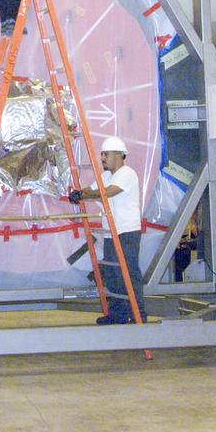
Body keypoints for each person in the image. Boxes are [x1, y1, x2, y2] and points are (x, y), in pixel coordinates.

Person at [71, 136, 146, 325]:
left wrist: (85, 194)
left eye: (106, 154)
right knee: (113, 275)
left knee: (128, 273)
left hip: (127, 232)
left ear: (119, 155)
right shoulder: (106, 176)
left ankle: (138, 315)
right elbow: (93, 189)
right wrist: (79, 193)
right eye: (102, 154)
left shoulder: (127, 173)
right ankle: (118, 314)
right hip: (111, 232)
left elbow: (108, 192)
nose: (102, 158)